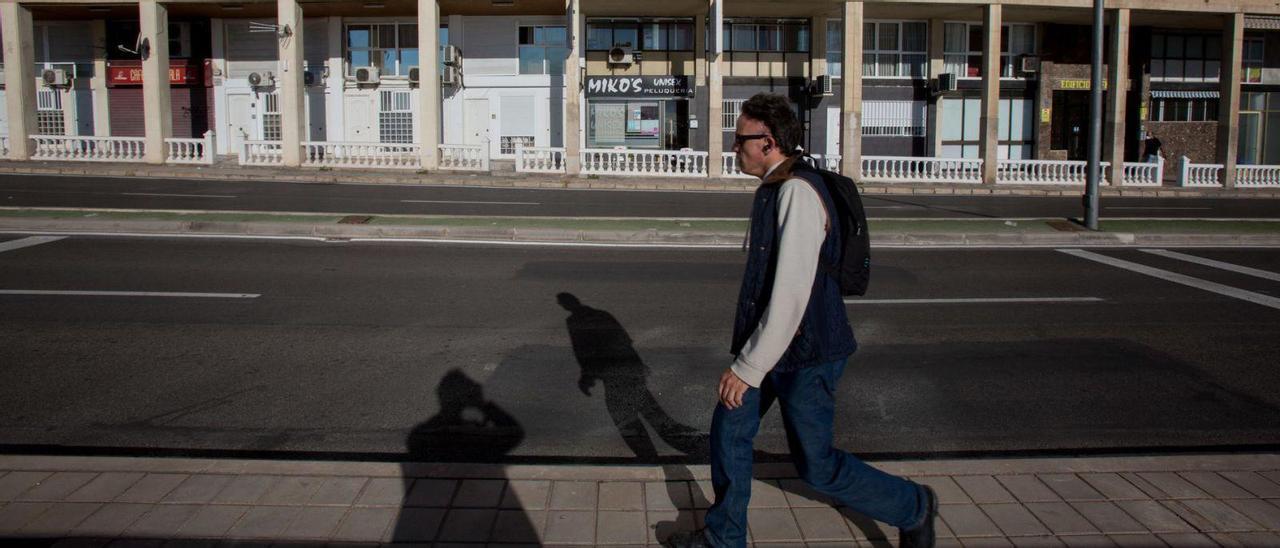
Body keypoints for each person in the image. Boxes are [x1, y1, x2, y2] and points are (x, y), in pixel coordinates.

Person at [664, 93, 937, 548]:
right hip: (773, 343)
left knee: (816, 466)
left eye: (740, 140)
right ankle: (723, 539)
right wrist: (752, 357)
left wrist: (747, 367)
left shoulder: (797, 192)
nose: (735, 149)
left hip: (809, 351)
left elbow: (792, 292)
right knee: (730, 428)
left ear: (767, 142)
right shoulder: (777, 185)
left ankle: (913, 506)